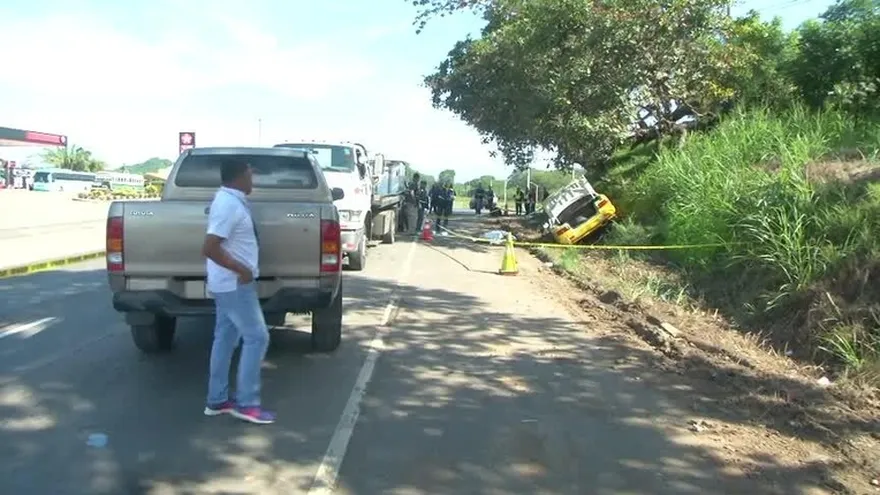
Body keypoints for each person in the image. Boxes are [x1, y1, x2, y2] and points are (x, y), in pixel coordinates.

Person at [201, 159, 275, 425]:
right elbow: (210, 247)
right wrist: (241, 270)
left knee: (225, 337)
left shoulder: (231, 200)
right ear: (238, 177)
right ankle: (247, 403)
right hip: (234, 284)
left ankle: (217, 399)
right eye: (249, 174)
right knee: (257, 337)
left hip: (228, 283)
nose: (252, 179)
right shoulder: (228, 204)